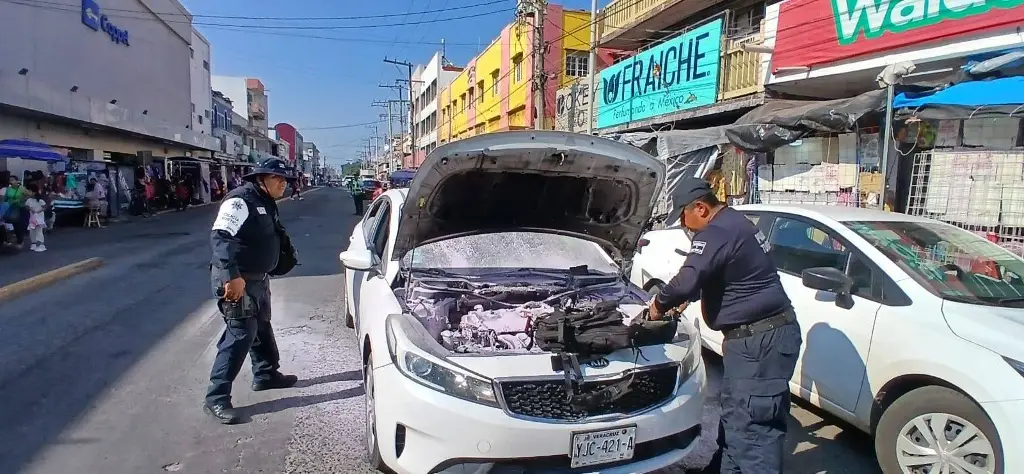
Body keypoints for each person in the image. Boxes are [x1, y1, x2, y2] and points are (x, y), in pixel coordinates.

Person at [648, 177, 801, 474]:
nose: (684, 224)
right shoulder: (735, 223)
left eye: (684, 216)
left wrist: (658, 306)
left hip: (759, 342)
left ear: (701, 208)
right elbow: (724, 274)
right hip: (760, 339)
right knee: (736, 418)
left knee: (754, 434)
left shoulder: (716, 231)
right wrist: (690, 298)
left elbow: (686, 279)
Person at [204, 157, 300, 424]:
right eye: (277, 178)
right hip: (236, 280)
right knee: (240, 333)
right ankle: (216, 399)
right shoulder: (240, 201)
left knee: (261, 326)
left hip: (257, 279)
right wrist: (231, 276)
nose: (284, 184)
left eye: (285, 180)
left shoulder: (265, 200)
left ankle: (266, 374)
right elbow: (221, 237)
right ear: (260, 179)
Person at [2, 176, 29, 248]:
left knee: (18, 225)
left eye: (13, 180)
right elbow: (5, 199)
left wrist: (20, 200)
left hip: (21, 208)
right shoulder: (8, 189)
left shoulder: (22, 189)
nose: (11, 182)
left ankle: (20, 241)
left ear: (17, 181)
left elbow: (28, 195)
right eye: (10, 180)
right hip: (12, 208)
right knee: (14, 223)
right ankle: (18, 239)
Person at [24, 184, 48, 252]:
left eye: (29, 191)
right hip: (32, 218)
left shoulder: (40, 200)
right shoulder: (29, 200)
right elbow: (26, 206)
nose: (28, 192)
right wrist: (30, 209)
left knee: (39, 231)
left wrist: (38, 211)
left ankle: (41, 244)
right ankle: (33, 243)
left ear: (34, 192)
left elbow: (45, 207)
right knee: (32, 231)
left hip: (39, 218)